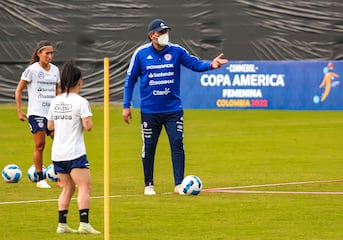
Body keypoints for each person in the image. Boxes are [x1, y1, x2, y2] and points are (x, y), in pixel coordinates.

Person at [122, 18, 228, 195]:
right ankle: (149, 184)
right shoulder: (140, 54)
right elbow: (130, 79)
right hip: (150, 111)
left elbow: (194, 63)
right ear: (151, 36)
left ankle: (179, 184)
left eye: (166, 32)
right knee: (149, 146)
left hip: (173, 109)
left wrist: (211, 65)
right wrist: (126, 105)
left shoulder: (177, 50)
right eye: (161, 32)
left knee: (177, 143)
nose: (165, 35)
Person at [47, 62, 101, 234]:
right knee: (85, 187)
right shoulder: (81, 102)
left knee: (67, 188)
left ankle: (62, 225)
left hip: (58, 153)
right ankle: (84, 224)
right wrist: (87, 121)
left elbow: (49, 126)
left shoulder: (55, 101)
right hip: (75, 152)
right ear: (80, 82)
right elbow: (88, 126)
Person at [15, 40, 60, 188]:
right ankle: (40, 179)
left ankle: (61, 177)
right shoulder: (32, 70)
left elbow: (57, 91)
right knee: (40, 145)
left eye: (51, 53)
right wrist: (20, 111)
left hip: (52, 114)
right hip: (36, 113)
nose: (50, 56)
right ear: (39, 53)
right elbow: (19, 90)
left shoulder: (55, 70)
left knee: (60, 143)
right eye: (47, 53)